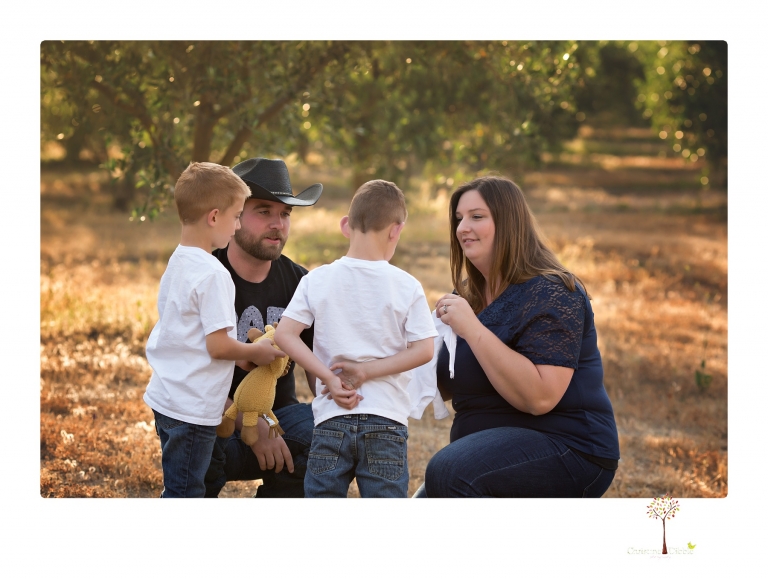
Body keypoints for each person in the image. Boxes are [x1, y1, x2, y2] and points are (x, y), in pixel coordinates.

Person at [415, 176, 620, 498]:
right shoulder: (469, 296)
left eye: (476, 216)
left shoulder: (553, 291)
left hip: (567, 447)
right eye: (458, 219)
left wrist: (473, 329)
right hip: (485, 457)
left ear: (509, 222)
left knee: (448, 470)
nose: (462, 227)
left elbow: (540, 397)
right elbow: (440, 381)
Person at [275, 179, 437, 497]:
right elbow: (424, 350)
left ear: (346, 225)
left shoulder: (317, 279)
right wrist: (367, 372)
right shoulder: (407, 285)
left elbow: (284, 335)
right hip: (386, 420)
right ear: (396, 230)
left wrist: (329, 379)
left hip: (331, 418)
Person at [144, 161, 284, 498]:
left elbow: (187, 333)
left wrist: (240, 358)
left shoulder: (179, 260)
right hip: (193, 409)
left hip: (166, 397)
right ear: (214, 217)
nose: (237, 226)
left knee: (177, 484)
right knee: (187, 491)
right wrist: (256, 351)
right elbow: (218, 346)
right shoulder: (214, 274)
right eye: (237, 216)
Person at [203, 157, 323, 498]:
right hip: (215, 420)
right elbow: (185, 370)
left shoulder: (302, 282)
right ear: (235, 214)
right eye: (264, 211)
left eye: (285, 214)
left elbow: (317, 366)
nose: (278, 224)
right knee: (195, 432)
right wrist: (250, 424)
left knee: (331, 434)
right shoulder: (205, 276)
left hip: (280, 418)